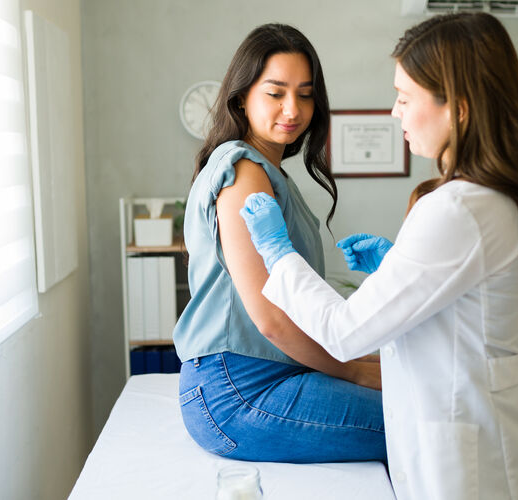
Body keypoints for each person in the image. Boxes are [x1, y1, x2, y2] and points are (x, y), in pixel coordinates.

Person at [240, 12, 518, 500]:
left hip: (472, 467)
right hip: (499, 446)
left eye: (404, 98)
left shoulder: (457, 209)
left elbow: (345, 331)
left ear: (458, 109)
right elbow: (470, 305)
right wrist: (399, 269)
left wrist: (278, 253)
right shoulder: (501, 196)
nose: (395, 112)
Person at [172, 23, 386, 463]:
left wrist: (364, 359)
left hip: (268, 375)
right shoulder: (245, 174)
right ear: (242, 97)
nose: (293, 108)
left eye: (305, 94)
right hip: (238, 392)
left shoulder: (268, 171)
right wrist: (355, 372)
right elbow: (270, 319)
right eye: (276, 93)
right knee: (418, 421)